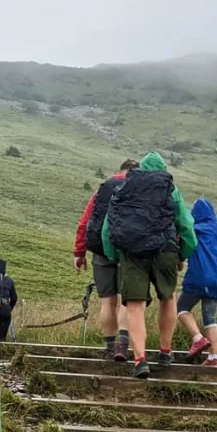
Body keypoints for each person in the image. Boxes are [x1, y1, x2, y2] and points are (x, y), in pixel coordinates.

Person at [101, 152, 198, 379]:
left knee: (135, 306)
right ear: (163, 169)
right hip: (165, 251)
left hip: (132, 254)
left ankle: (140, 359)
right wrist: (180, 255)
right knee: (168, 298)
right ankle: (165, 351)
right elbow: (186, 227)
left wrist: (115, 255)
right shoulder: (170, 190)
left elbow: (109, 227)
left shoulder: (124, 189)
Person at [75, 159, 137, 360]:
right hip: (128, 251)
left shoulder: (103, 189)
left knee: (106, 302)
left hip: (101, 250)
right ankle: (122, 345)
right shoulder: (138, 187)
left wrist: (79, 252)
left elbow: (85, 222)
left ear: (120, 170)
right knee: (124, 301)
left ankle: (109, 347)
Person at [178, 198, 217, 366]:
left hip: (198, 278)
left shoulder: (195, 230)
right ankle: (213, 358)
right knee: (210, 318)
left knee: (181, 309)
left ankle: (198, 338)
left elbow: (185, 248)